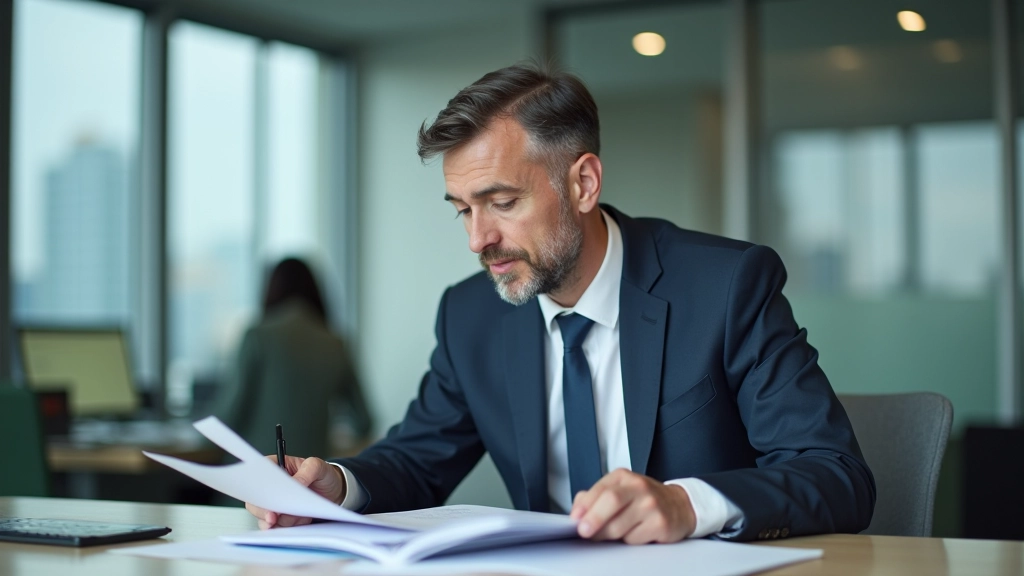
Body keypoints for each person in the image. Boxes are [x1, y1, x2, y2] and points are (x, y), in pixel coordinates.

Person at [245, 64, 875, 544]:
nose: (477, 239)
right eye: (463, 209)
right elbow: (414, 460)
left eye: (502, 202)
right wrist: (336, 485)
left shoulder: (725, 286)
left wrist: (686, 505)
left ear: (583, 183)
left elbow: (835, 474)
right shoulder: (473, 317)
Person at [217, 257, 372, 460]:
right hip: (312, 481)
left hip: (255, 479)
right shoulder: (336, 343)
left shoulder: (258, 336)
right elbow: (364, 422)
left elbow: (229, 414)